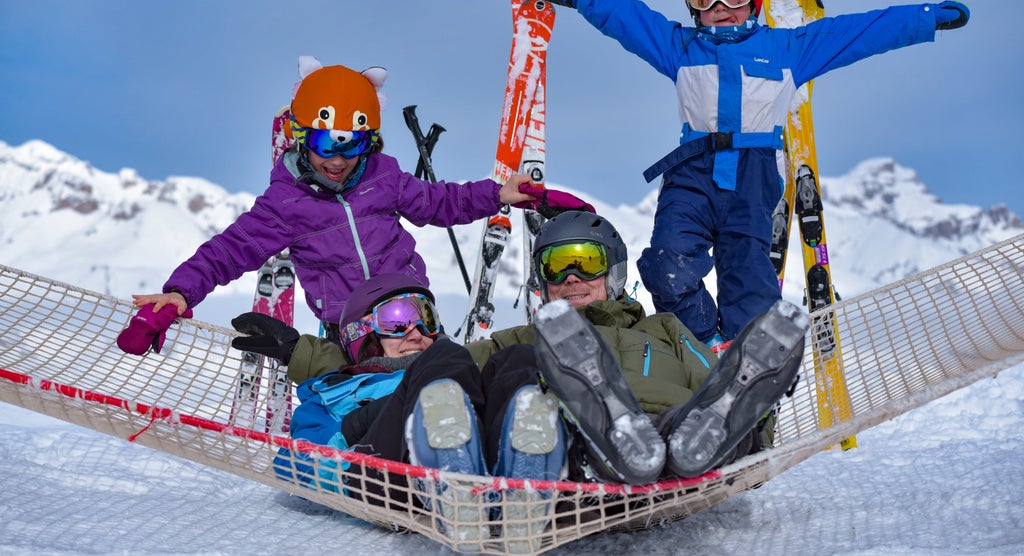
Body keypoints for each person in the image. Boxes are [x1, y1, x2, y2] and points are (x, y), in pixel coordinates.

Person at [532, 0, 970, 349]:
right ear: (692, 2)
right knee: (666, 263)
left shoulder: (787, 51)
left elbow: (861, 32)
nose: (720, 3)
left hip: (754, 177)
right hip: (692, 173)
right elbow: (628, 18)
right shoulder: (679, 47)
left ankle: (747, 356)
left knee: (750, 280)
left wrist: (925, 19)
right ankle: (704, 345)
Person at [235, 211, 806, 486]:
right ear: (543, 283)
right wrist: (309, 352)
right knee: (512, 365)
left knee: (710, 413)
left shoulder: (666, 329)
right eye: (560, 264)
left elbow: (712, 375)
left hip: (678, 428)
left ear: (613, 274)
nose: (575, 275)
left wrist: (759, 410)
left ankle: (703, 438)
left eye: (588, 261)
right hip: (583, 442)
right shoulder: (526, 339)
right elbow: (420, 371)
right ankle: (607, 444)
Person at [126, 57, 535, 350]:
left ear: (369, 141)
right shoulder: (286, 202)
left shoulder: (384, 176)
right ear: (302, 137)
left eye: (353, 144)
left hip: (413, 313)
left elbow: (441, 202)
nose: (337, 160)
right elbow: (229, 250)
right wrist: (181, 292)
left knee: (439, 389)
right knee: (365, 405)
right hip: (349, 328)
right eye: (324, 143)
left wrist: (497, 194)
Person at [269, 273, 567, 550]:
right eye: (397, 321)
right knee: (445, 357)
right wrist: (354, 425)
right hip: (383, 478)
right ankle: (451, 485)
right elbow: (292, 463)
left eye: (426, 318)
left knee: (518, 358)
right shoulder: (331, 394)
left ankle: (525, 486)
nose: (416, 334)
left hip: (484, 477)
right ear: (362, 335)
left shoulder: (452, 366)